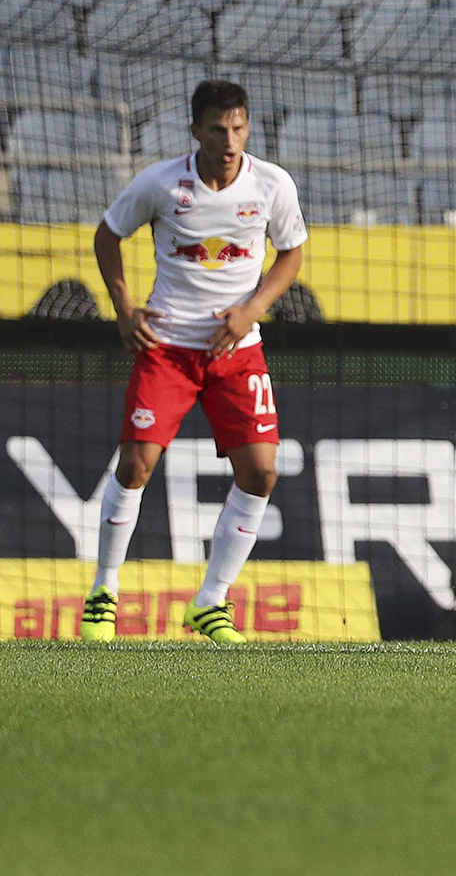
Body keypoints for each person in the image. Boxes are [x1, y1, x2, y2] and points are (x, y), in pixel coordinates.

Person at [80, 80, 307, 644]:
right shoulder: (161, 183)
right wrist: (124, 307)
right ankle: (104, 594)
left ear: (248, 128)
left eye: (238, 128)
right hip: (168, 349)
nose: (229, 141)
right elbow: (108, 237)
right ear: (195, 131)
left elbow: (293, 251)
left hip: (238, 351)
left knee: (261, 472)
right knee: (136, 465)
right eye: (216, 129)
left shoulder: (272, 184)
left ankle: (209, 602)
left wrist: (252, 307)